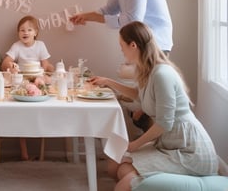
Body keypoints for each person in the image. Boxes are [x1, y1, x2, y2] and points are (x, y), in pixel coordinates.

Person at [89, 21, 218, 191]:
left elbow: (165, 123)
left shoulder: (162, 74)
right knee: (114, 166)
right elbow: (141, 95)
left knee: (122, 182)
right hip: (168, 143)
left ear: (133, 45)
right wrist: (108, 82)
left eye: (122, 46)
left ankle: (136, 181)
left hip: (188, 150)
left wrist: (135, 145)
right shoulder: (148, 71)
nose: (121, 50)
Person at [70, 0, 173, 132]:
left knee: (148, 107)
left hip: (155, 46)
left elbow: (133, 20)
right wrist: (85, 16)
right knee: (139, 106)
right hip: (140, 46)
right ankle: (147, 151)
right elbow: (109, 10)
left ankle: (155, 152)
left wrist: (96, 17)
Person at [1, 15, 54, 160]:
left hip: (38, 79)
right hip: (23, 81)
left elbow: (46, 65)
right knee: (21, 115)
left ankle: (41, 145)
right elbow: (5, 63)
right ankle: (24, 152)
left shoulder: (40, 45)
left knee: (45, 90)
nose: (25, 33)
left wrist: (49, 70)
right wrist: (10, 66)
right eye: (22, 30)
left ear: (35, 32)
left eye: (29, 30)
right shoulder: (17, 46)